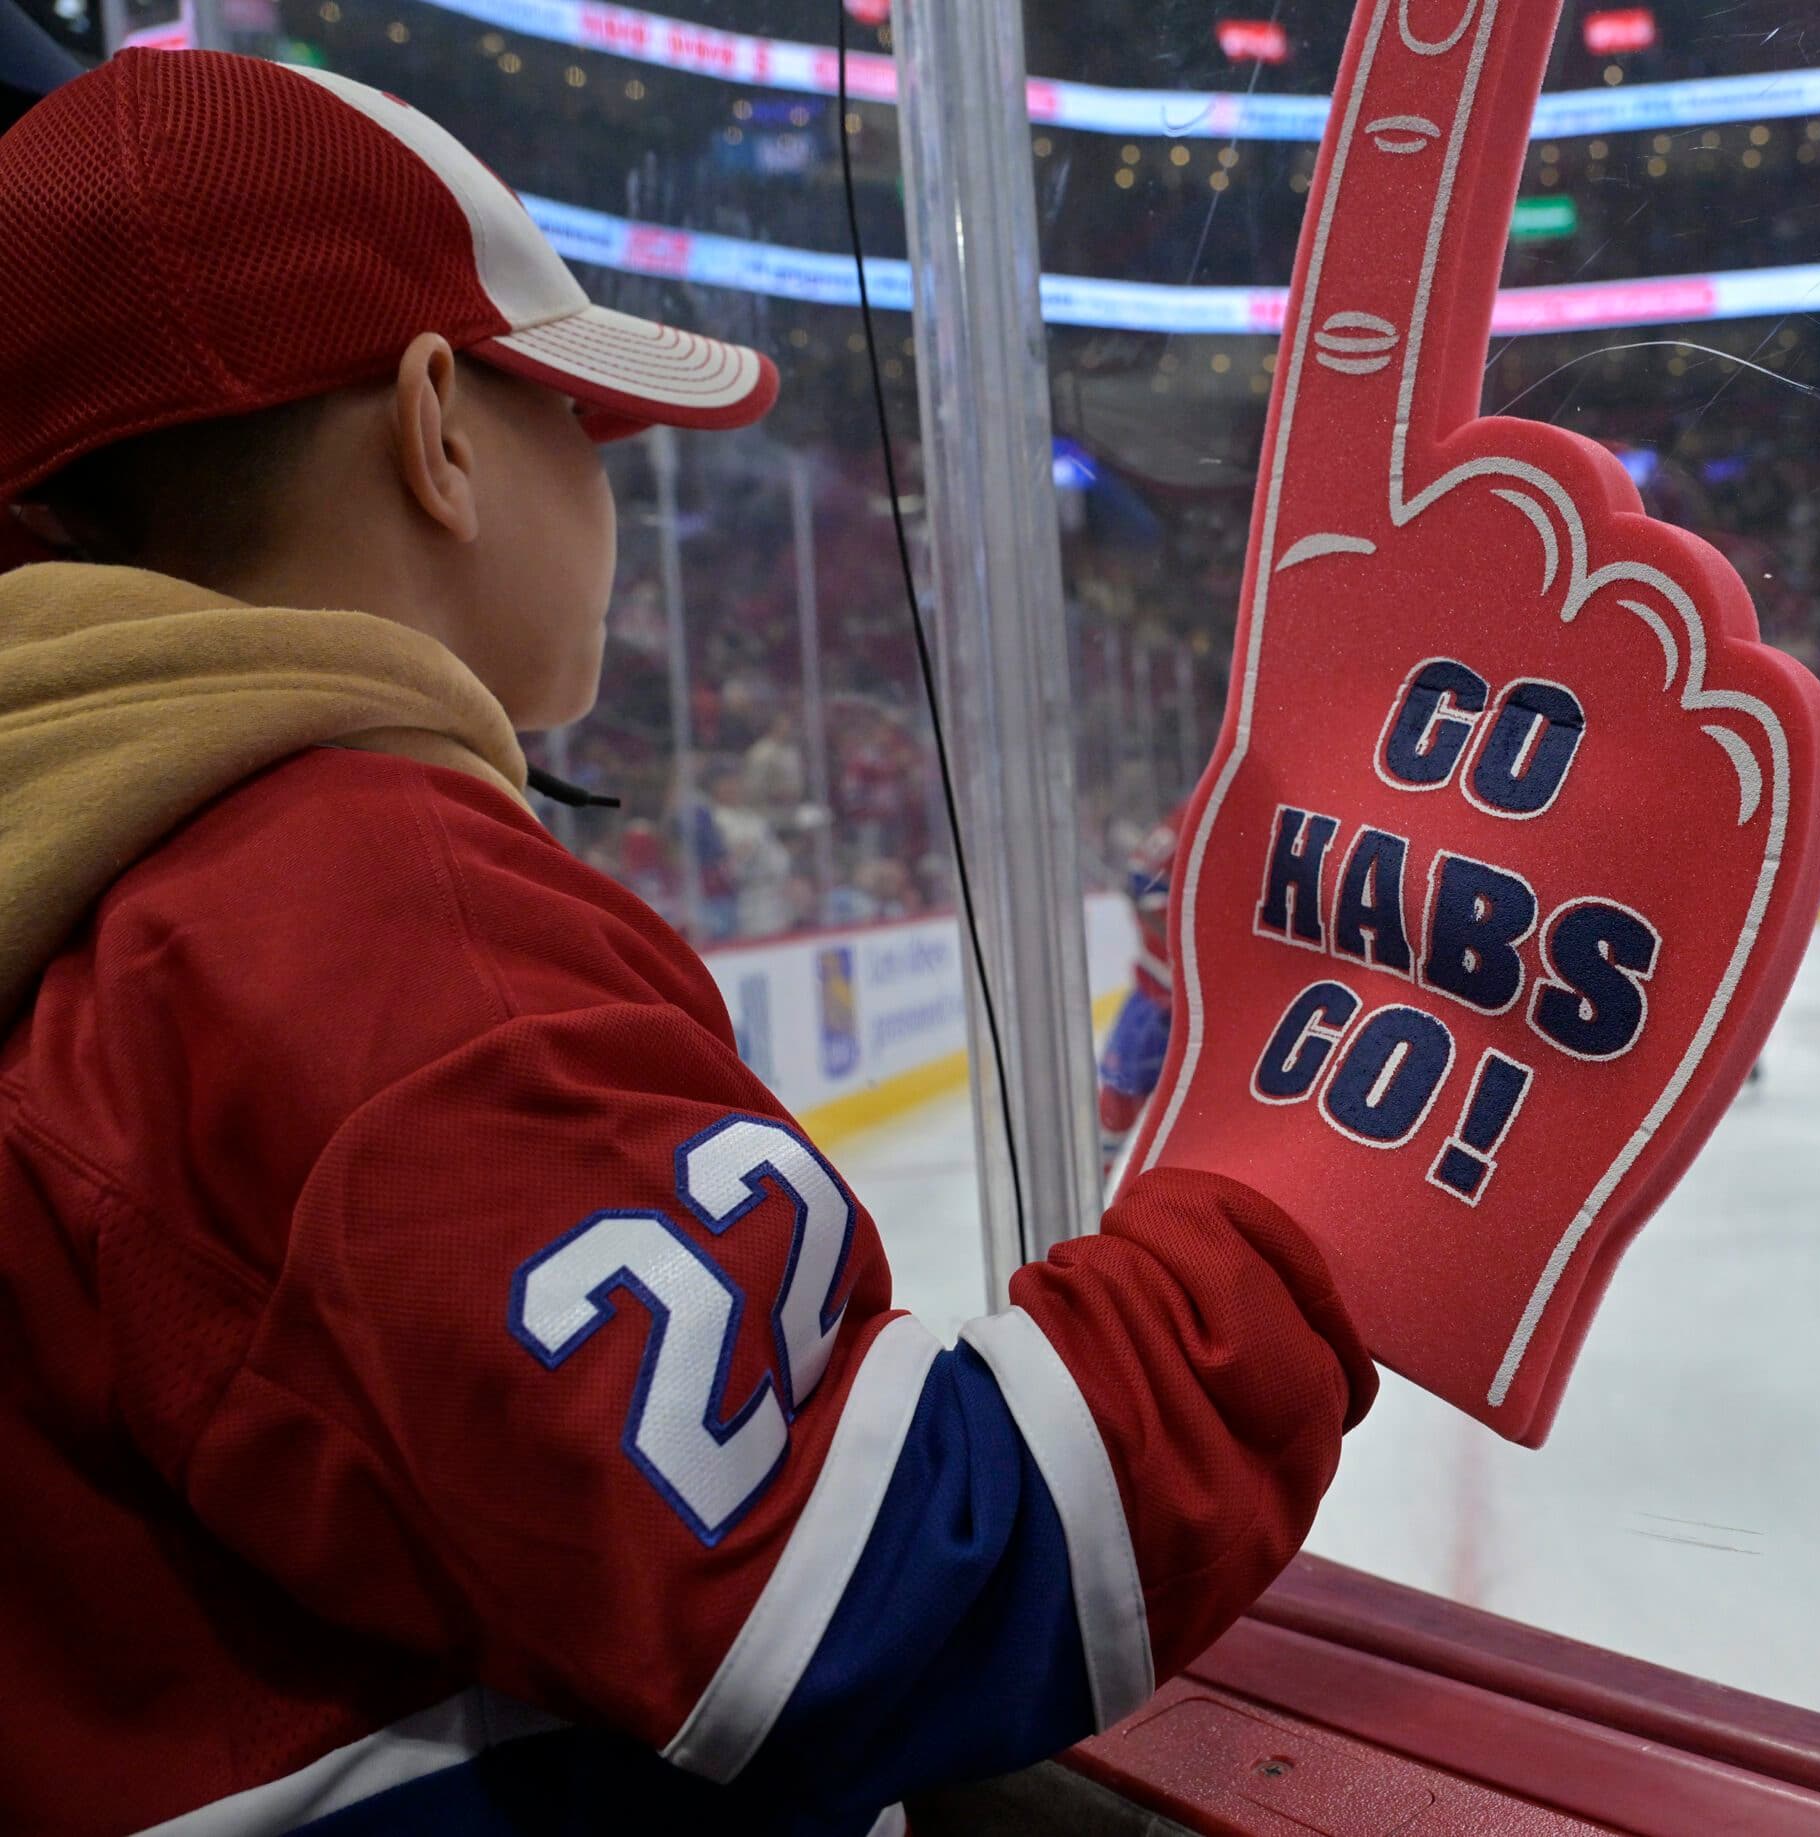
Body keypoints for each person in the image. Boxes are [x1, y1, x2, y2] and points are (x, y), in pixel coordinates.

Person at [0, 52, 1371, 1835]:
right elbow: (859, 1596)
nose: (613, 489)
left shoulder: (105, 875)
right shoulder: (359, 913)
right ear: (436, 430)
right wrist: (1320, 1194)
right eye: (578, 416)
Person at [1098, 798, 1187, 1167]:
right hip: (1160, 999)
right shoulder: (1192, 814)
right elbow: (1140, 877)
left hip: (1221, 1009)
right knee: (1118, 1102)